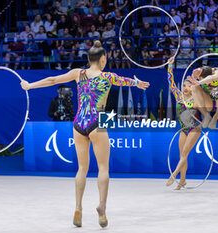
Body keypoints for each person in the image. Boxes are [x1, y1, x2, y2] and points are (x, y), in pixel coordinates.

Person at [20, 40, 150, 228]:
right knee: (103, 168)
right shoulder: (108, 77)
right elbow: (128, 82)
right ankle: (102, 210)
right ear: (103, 59)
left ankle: (78, 209)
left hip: (79, 122)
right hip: (99, 120)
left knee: (82, 168)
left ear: (89, 59)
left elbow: (52, 80)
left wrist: (29, 85)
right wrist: (137, 83)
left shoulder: (77, 74)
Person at [165, 57, 201, 190]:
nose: (186, 88)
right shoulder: (178, 96)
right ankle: (183, 180)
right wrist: (170, 66)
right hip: (183, 129)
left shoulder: (196, 97)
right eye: (184, 85)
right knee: (182, 156)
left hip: (195, 128)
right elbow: (170, 82)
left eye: (189, 85)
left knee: (185, 154)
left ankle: (174, 175)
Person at [187, 65, 218, 129]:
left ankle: (215, 117)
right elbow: (193, 82)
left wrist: (200, 82)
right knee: (194, 87)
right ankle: (206, 115)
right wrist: (194, 76)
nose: (207, 84)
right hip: (208, 103)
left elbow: (212, 78)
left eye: (207, 82)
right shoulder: (200, 73)